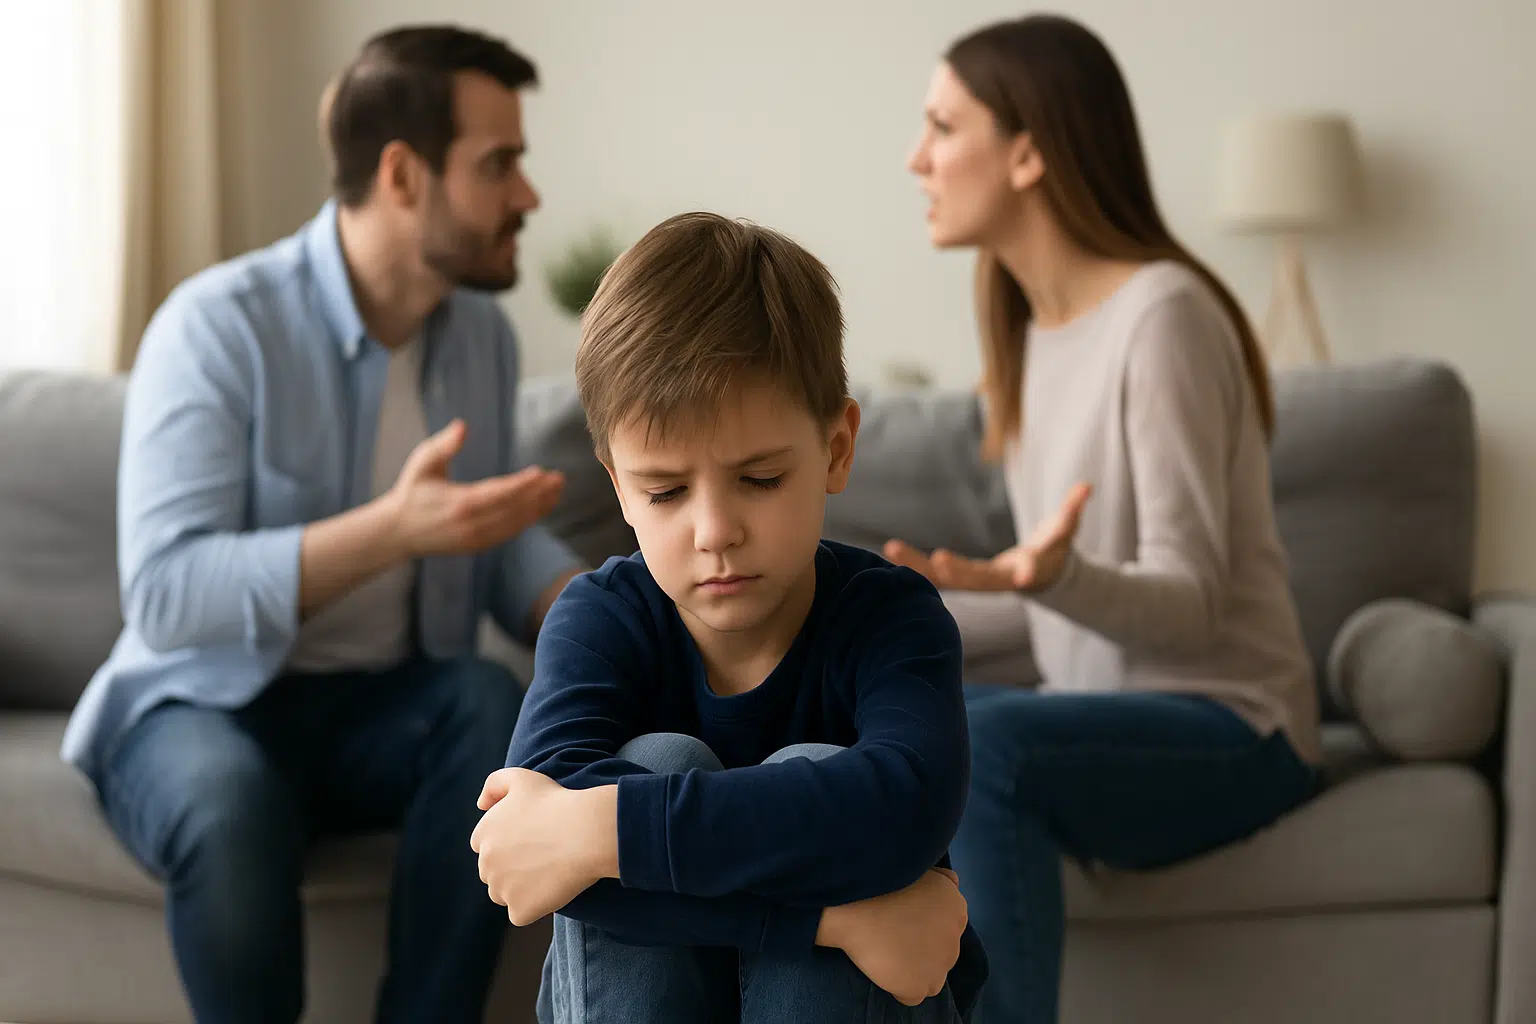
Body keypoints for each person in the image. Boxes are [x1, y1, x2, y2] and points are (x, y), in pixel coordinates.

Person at [59, 24, 585, 1024]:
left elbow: (484, 528)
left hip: (378, 710)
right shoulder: (217, 327)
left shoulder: (481, 335)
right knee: (228, 801)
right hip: (198, 705)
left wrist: (601, 608)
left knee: (486, 700)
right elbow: (167, 593)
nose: (528, 195)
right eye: (500, 164)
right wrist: (392, 529)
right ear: (401, 174)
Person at [885, 14, 1324, 1024]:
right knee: (911, 725)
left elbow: (1194, 607)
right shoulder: (1035, 330)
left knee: (987, 745)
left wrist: (1052, 579)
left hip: (1239, 731)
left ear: (1029, 150)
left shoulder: (1163, 315)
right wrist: (862, 626)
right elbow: (1048, 612)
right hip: (1121, 723)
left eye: (943, 127)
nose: (918, 157)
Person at [469, 212, 990, 1022]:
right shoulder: (598, 619)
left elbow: (906, 806)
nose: (714, 532)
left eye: (760, 479)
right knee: (661, 758)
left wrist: (601, 830)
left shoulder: (892, 617)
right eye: (666, 492)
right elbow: (532, 864)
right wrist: (830, 921)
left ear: (836, 449)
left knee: (807, 765)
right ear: (616, 486)